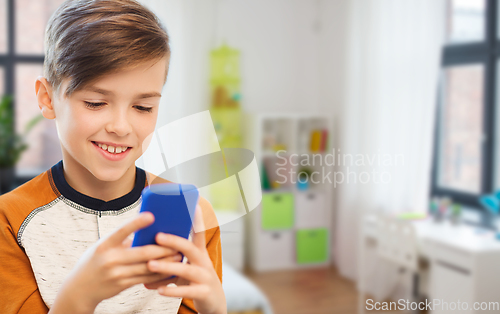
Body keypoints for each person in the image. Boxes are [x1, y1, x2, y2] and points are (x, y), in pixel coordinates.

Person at [0, 0, 226, 313]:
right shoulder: (9, 221)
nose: (121, 127)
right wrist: (77, 298)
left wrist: (215, 309)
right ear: (47, 99)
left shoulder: (195, 216)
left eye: (143, 107)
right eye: (95, 102)